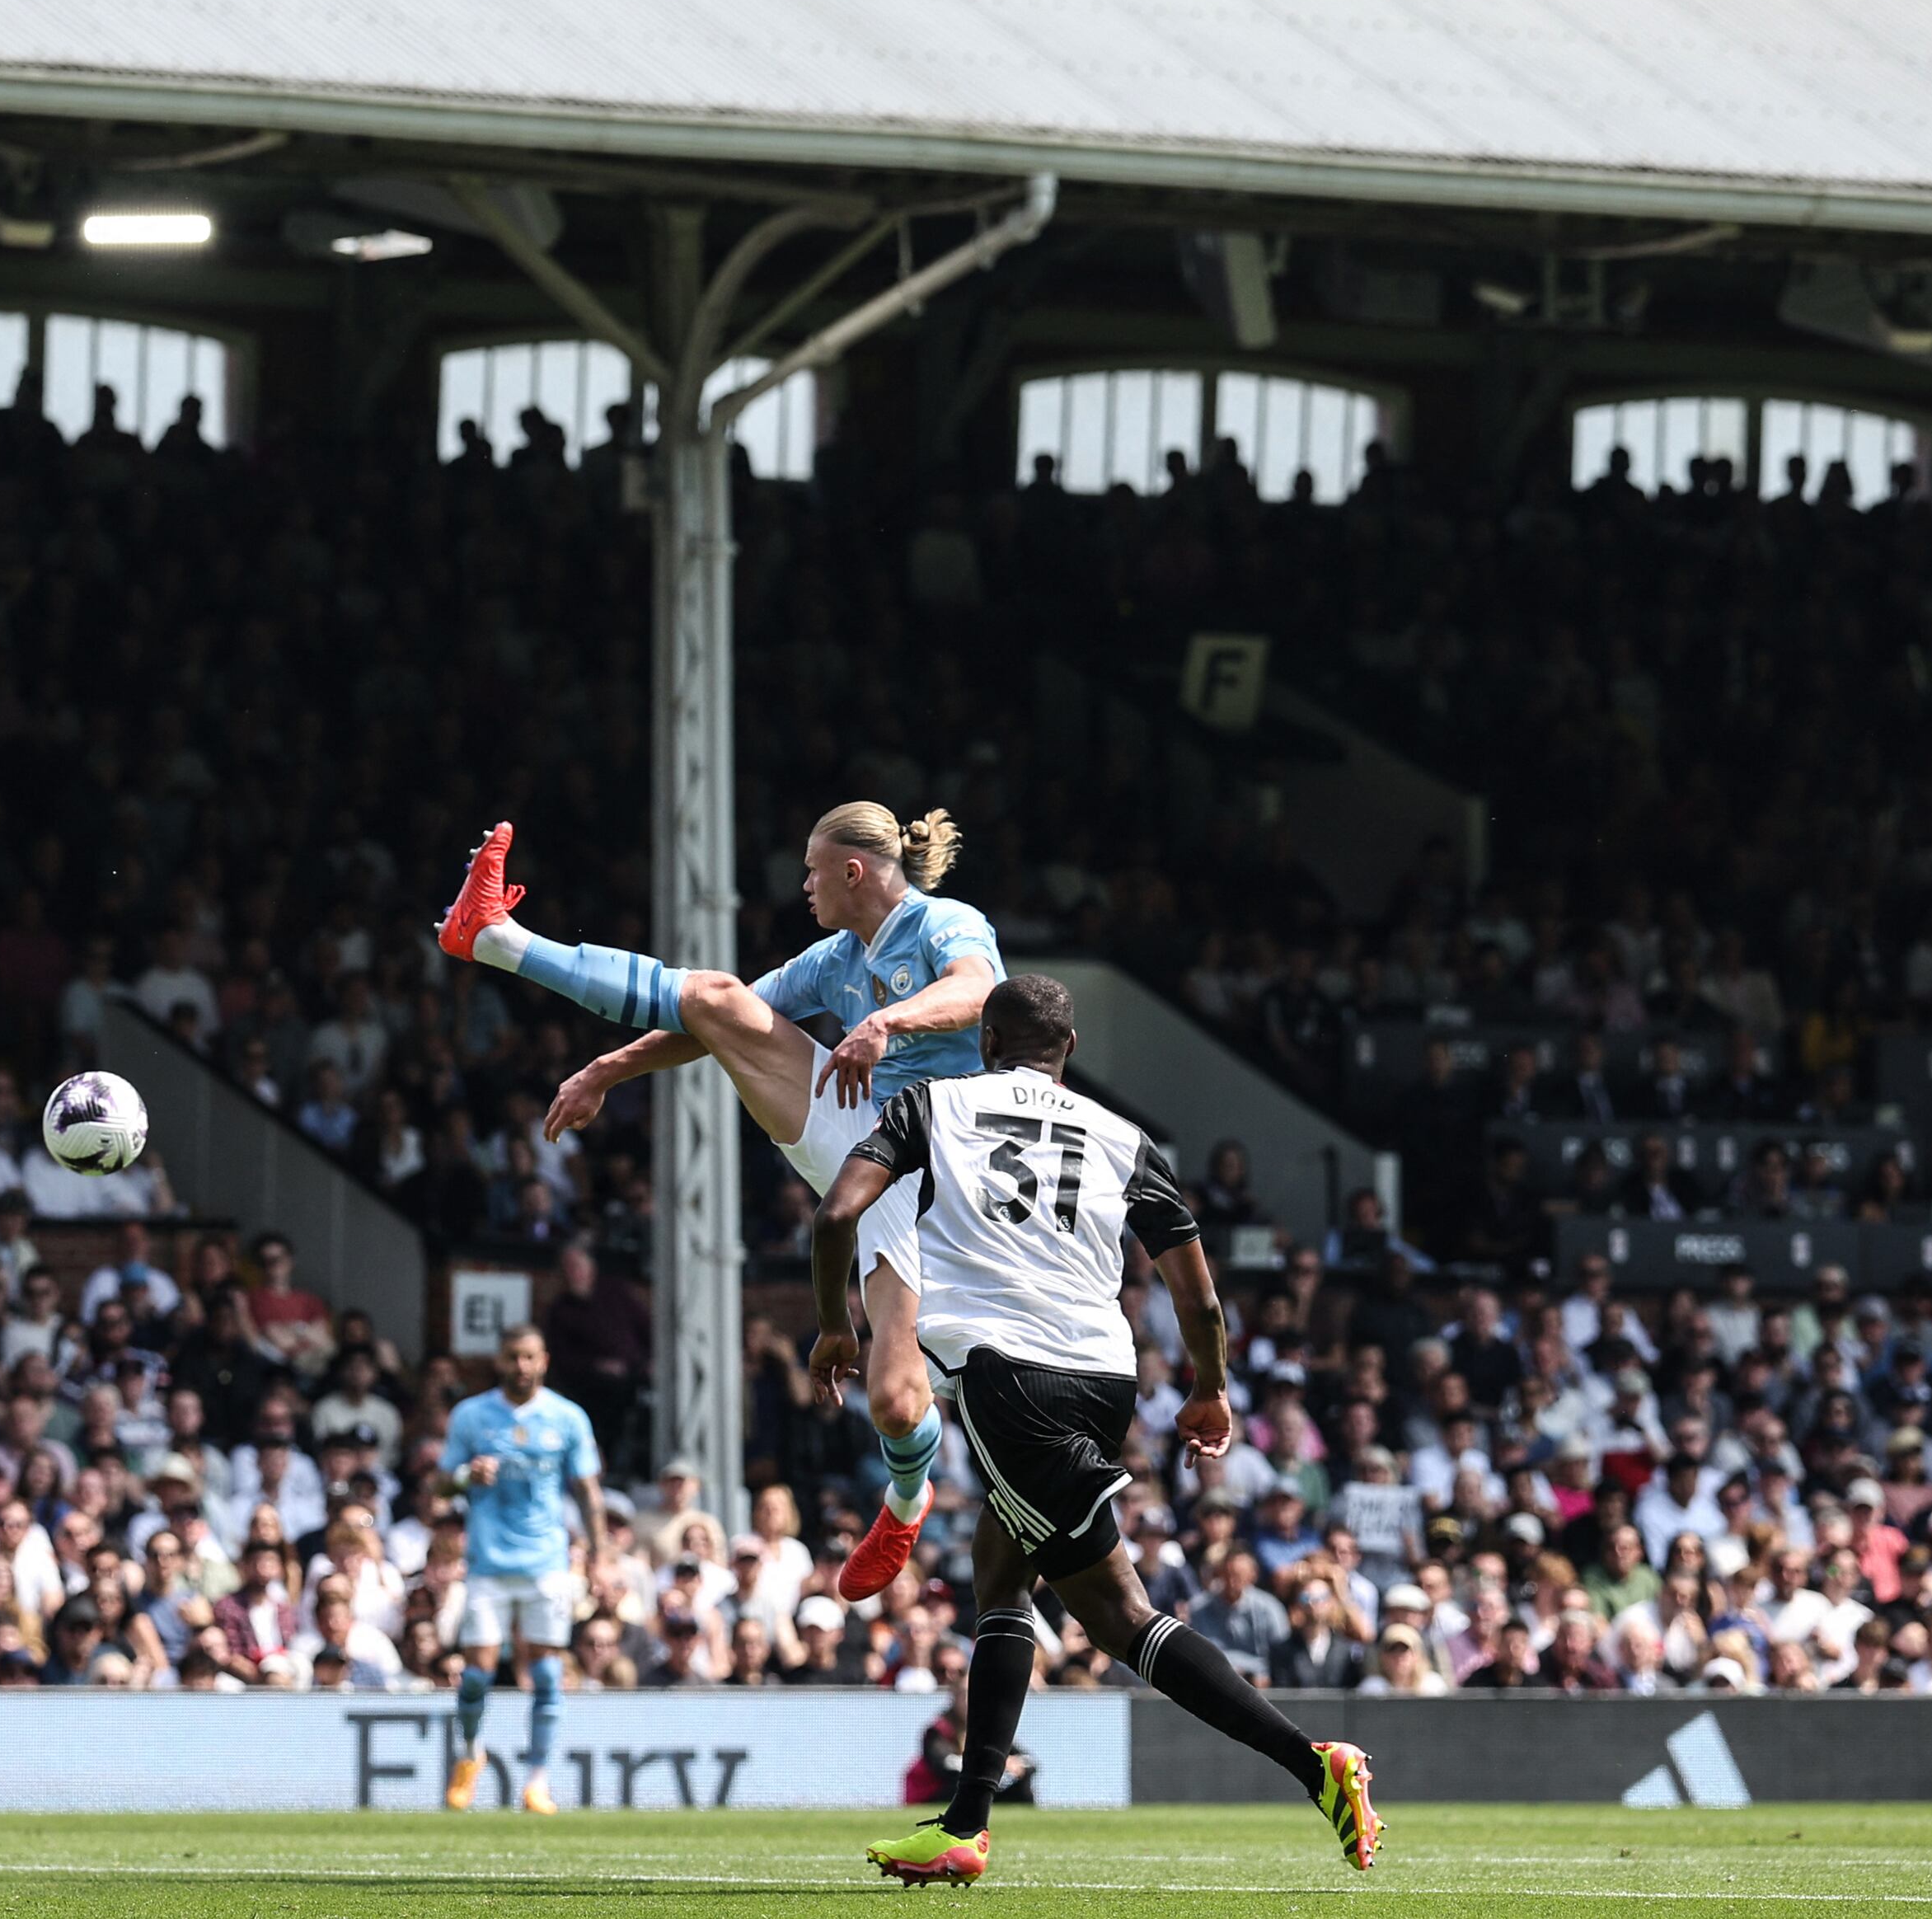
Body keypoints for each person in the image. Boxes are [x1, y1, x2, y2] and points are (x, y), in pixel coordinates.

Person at [814, 973, 1379, 1882]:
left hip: (1008, 1377)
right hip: (1104, 1376)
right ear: (1067, 1050)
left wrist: (837, 1323)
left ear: (985, 1043)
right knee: (1000, 1568)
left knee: (1117, 1615)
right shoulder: (1125, 1138)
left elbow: (838, 1210)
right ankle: (965, 1821)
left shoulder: (936, 1103)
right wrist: (1208, 1389)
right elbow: (1195, 1293)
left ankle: (1314, 1765)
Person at [446, 799, 994, 1597]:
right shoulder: (832, 958)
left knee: (896, 1403)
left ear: (852, 871)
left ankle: (906, 1500)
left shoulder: (943, 922)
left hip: (939, 1169)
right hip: (861, 1139)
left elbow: (977, 989)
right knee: (715, 994)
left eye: (812, 869)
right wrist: (605, 1069)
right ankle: (497, 938)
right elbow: (707, 1016)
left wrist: (886, 1022)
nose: (802, 884)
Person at [434, 1324, 612, 1813]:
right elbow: (438, 1486)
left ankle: (537, 1781)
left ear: (545, 1360)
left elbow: (588, 1492)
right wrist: (465, 1476)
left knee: (549, 1676)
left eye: (530, 1357)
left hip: (545, 1563)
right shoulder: (471, 1416)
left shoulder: (567, 1417)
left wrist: (600, 1555)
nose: (522, 1366)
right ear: (500, 1360)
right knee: (475, 1676)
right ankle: (470, 1754)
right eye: (513, 1357)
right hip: (488, 1564)